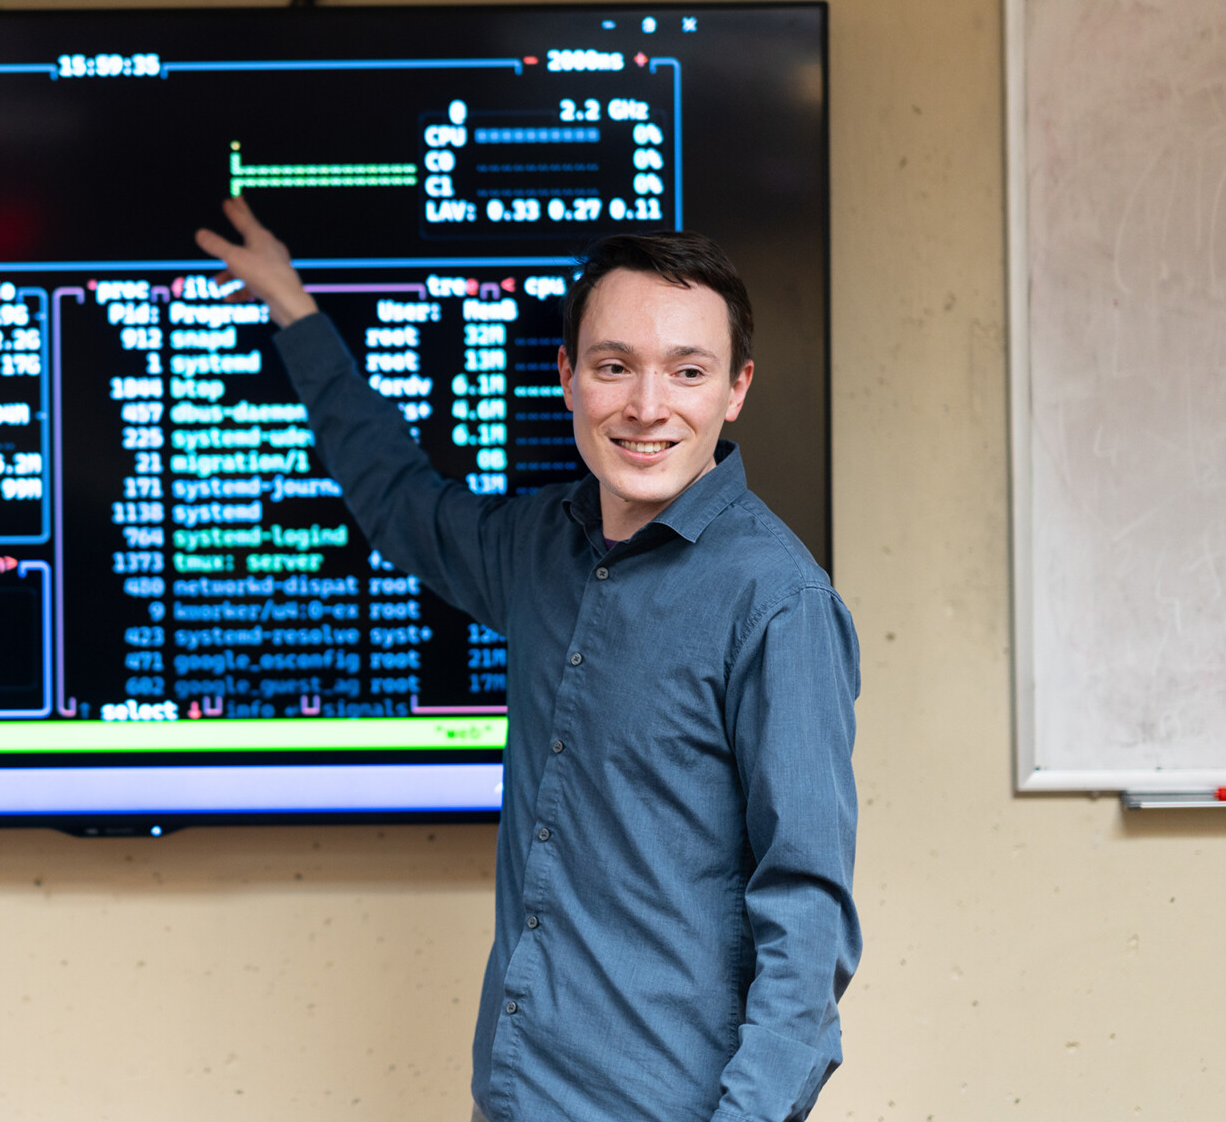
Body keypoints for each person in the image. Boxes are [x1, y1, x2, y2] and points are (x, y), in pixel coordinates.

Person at [196, 197, 861, 1122]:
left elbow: (807, 914)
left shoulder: (779, 604)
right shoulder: (536, 548)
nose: (646, 406)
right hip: (511, 1099)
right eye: (613, 366)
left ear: (736, 388)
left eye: (688, 371)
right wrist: (293, 307)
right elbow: (397, 497)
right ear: (567, 377)